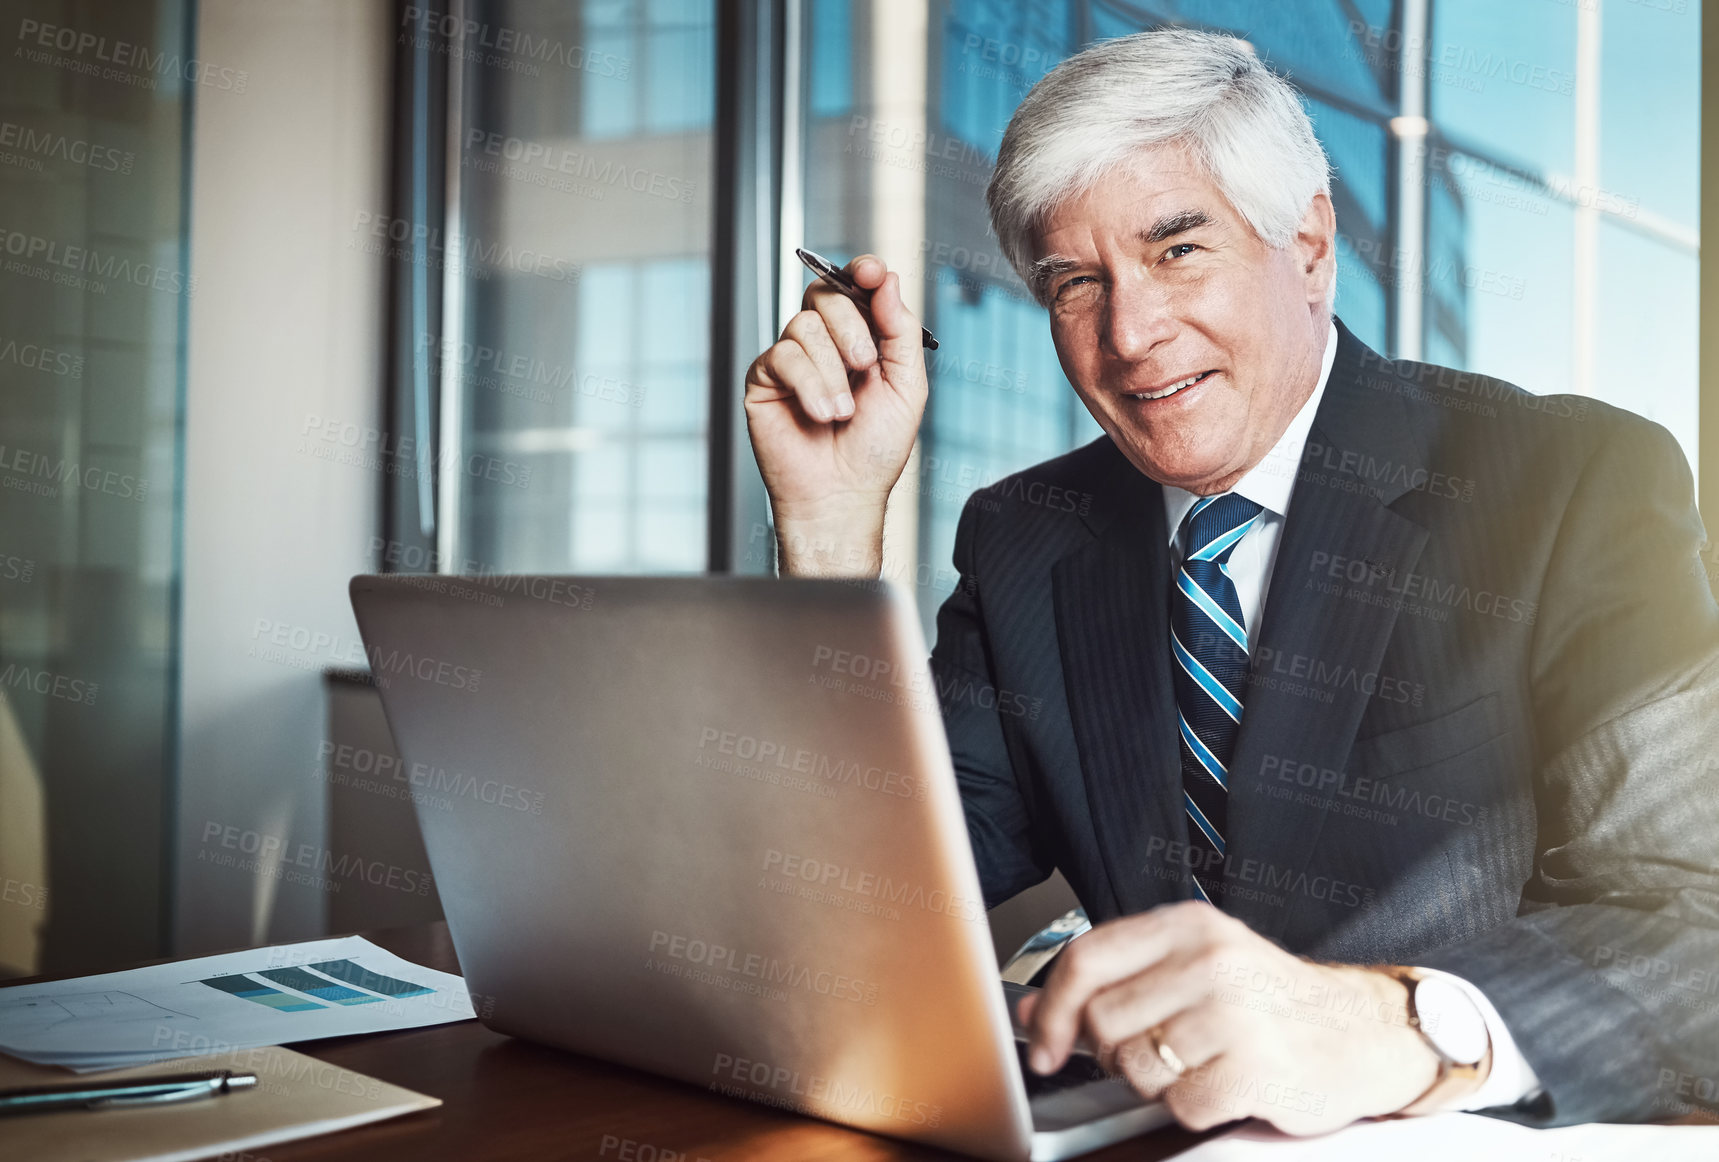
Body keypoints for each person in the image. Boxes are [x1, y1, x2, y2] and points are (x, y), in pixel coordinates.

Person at [743, 29, 1719, 1134]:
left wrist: (1395, 1028)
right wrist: (828, 539)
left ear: (1307, 243)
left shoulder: (1565, 486)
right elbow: (866, 900)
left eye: (1177, 251)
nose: (1131, 332)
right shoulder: (1027, 537)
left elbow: (1696, 925)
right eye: (1075, 283)